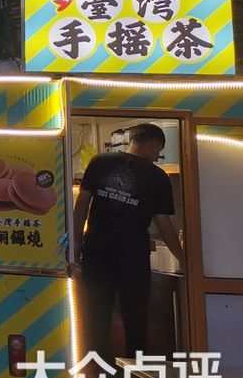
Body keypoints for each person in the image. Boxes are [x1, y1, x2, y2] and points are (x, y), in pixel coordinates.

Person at [73, 122, 185, 360]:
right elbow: (164, 224)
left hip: (96, 252)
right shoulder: (157, 177)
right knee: (135, 318)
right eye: (158, 152)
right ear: (153, 144)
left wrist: (76, 245)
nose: (156, 158)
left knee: (96, 315)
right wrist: (183, 259)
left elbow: (81, 205)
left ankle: (99, 374)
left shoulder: (100, 162)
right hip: (133, 257)